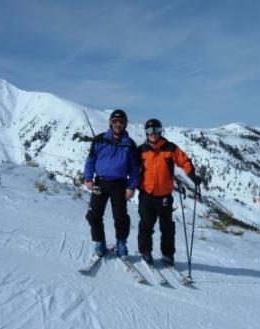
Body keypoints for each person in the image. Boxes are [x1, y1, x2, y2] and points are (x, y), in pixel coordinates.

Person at [137, 118, 201, 266]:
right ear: (146, 132)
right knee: (146, 225)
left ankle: (168, 255)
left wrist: (192, 175)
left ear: (161, 131)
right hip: (146, 195)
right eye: (149, 131)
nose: (153, 134)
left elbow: (184, 161)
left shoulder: (170, 148)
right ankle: (145, 252)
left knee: (167, 227)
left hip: (164, 196)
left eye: (156, 130)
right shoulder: (141, 151)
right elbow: (131, 168)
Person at [84, 109, 139, 258]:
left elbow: (134, 169)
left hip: (120, 184)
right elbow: (90, 161)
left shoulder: (129, 144)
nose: (118, 125)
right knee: (93, 215)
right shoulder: (99, 140)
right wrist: (88, 178)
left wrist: (132, 186)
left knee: (120, 217)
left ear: (125, 124)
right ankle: (99, 242)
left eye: (121, 122)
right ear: (111, 123)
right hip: (100, 183)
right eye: (115, 122)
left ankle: (121, 243)